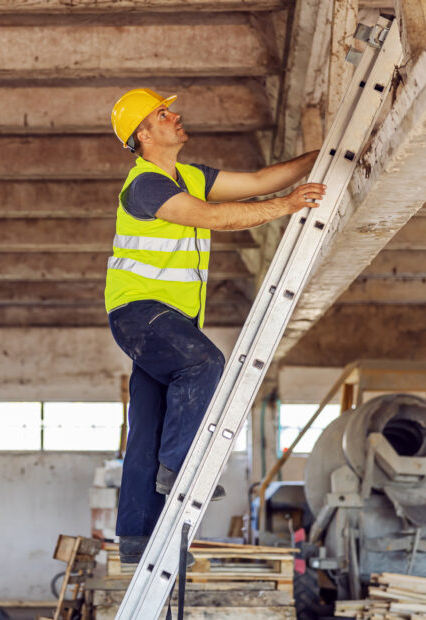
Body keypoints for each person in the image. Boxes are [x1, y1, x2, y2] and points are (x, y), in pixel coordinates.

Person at [104, 88, 326, 564]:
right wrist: (286, 206)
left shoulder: (188, 176)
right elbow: (211, 217)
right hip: (140, 313)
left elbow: (261, 179)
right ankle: (181, 467)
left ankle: (138, 537)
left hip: (165, 320)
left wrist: (324, 156)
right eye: (164, 114)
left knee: (147, 425)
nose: (176, 115)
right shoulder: (145, 184)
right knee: (205, 362)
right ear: (143, 134)